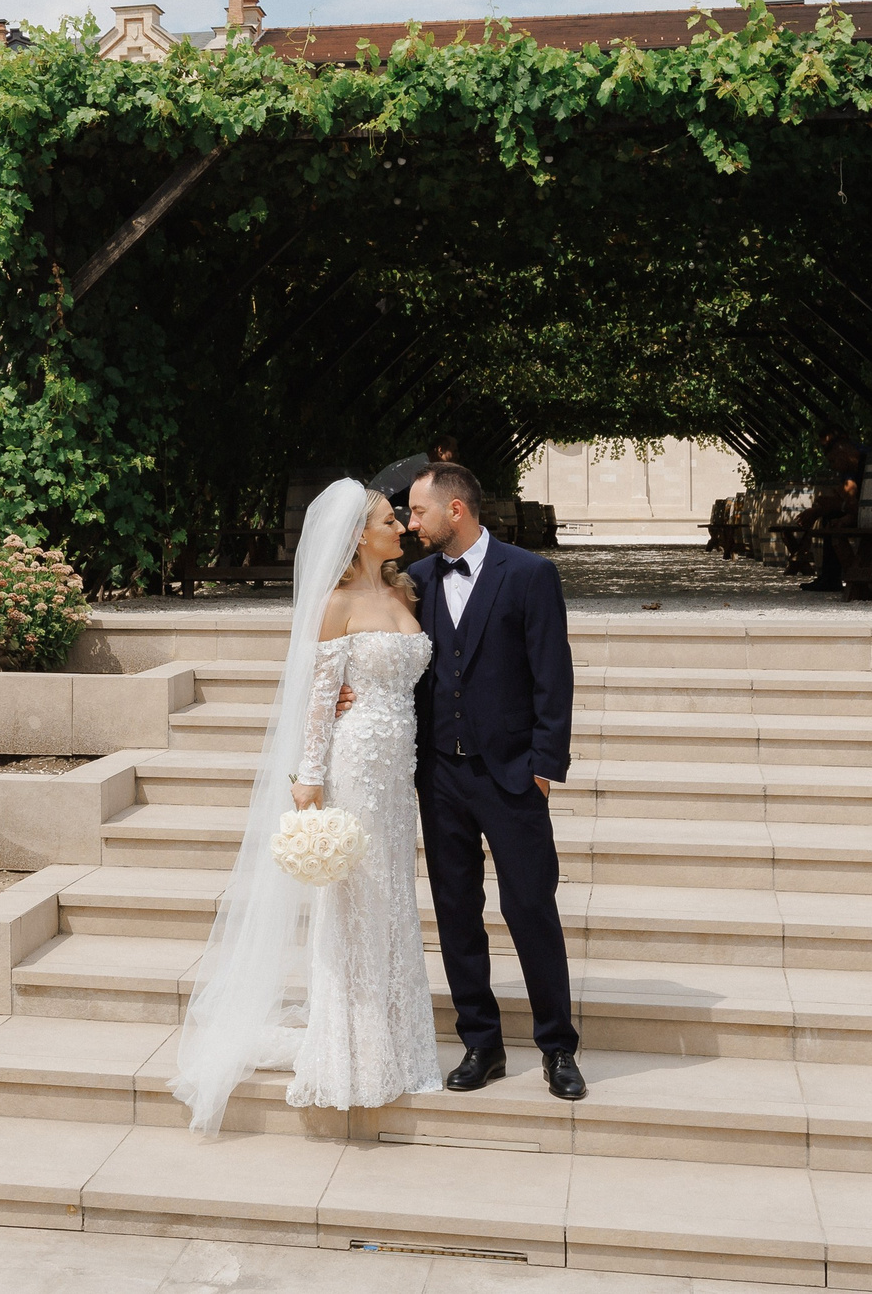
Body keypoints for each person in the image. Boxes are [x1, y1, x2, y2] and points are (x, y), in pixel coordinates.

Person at [169, 479, 441, 1135]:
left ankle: (397, 1035)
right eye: (388, 519)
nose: (400, 527)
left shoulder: (406, 592)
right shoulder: (336, 603)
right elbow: (321, 698)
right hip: (353, 766)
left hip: (397, 771)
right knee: (354, 898)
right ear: (358, 535)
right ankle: (351, 1046)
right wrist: (309, 780)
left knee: (392, 895)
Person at [400, 461, 585, 1100]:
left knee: (530, 907)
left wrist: (543, 767)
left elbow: (553, 675)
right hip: (439, 774)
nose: (410, 523)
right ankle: (481, 1043)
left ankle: (558, 1047)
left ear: (455, 509)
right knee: (456, 911)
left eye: (418, 510)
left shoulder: (530, 574)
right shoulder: (416, 581)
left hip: (511, 775)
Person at [792, 428, 866, 592]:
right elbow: (846, 498)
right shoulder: (852, 469)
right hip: (864, 512)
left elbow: (856, 501)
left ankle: (834, 578)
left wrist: (831, 510)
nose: (833, 467)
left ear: (842, 452)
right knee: (831, 517)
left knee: (832, 515)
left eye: (833, 461)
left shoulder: (867, 464)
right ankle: (830, 577)